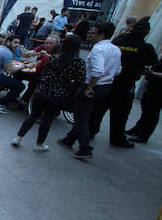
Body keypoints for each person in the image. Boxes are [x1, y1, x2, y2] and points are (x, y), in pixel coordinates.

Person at [88, 16, 157, 148]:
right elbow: (153, 61)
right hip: (126, 84)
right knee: (120, 114)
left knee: (98, 109)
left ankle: (90, 131)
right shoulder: (145, 47)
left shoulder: (119, 40)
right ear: (146, 33)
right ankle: (117, 138)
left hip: (110, 81)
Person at [58, 22, 121, 160]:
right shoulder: (116, 49)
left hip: (93, 86)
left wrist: (90, 87)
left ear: (101, 35)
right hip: (106, 86)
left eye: (93, 32)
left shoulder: (98, 49)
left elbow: (98, 71)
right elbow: (117, 70)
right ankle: (69, 139)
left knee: (81, 117)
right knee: (85, 115)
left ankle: (84, 148)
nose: (90, 34)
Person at [12, 35, 86, 151]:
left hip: (42, 91)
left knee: (33, 115)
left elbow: (44, 73)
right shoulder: (78, 62)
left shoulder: (54, 58)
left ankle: (18, 137)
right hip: (58, 95)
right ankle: (39, 144)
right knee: (47, 119)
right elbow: (81, 80)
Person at [126, 56, 162, 143]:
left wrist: (153, 73)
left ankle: (144, 135)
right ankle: (137, 129)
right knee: (146, 109)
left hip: (159, 89)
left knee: (152, 112)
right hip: (152, 85)